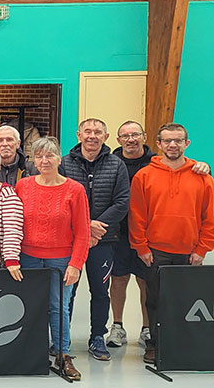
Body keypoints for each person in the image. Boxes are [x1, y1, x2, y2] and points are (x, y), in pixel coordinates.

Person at [129, 122, 214, 364]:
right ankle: (155, 344)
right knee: (155, 300)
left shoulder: (203, 177)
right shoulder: (144, 175)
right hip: (155, 251)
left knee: (186, 300)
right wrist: (142, 247)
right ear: (158, 144)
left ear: (187, 143)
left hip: (189, 252)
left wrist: (202, 249)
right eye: (167, 141)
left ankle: (182, 344)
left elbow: (210, 217)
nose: (172, 145)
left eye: (178, 140)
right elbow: (136, 215)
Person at [16, 137, 89, 379]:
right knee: (29, 306)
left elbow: (82, 231)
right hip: (28, 258)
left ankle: (62, 354)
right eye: (39, 156)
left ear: (59, 159)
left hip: (61, 260)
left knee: (59, 307)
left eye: (49, 156)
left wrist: (76, 264)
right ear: (33, 160)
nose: (44, 161)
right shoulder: (23, 186)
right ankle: (28, 352)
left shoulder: (74, 190)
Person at [60, 118, 129, 362]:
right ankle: (62, 339)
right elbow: (58, 199)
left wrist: (94, 228)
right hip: (70, 240)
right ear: (78, 134)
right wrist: (84, 226)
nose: (92, 136)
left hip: (104, 240)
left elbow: (122, 202)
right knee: (68, 290)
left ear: (106, 136)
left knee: (100, 291)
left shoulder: (117, 164)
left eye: (97, 132)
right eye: (87, 131)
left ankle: (97, 337)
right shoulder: (64, 164)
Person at [109, 120, 155, 349]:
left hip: (148, 234)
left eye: (135, 134)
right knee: (118, 279)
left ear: (144, 137)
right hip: (119, 233)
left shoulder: (156, 163)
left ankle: (147, 329)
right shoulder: (110, 162)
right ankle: (117, 326)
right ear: (118, 140)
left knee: (145, 281)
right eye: (125, 135)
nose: (131, 139)